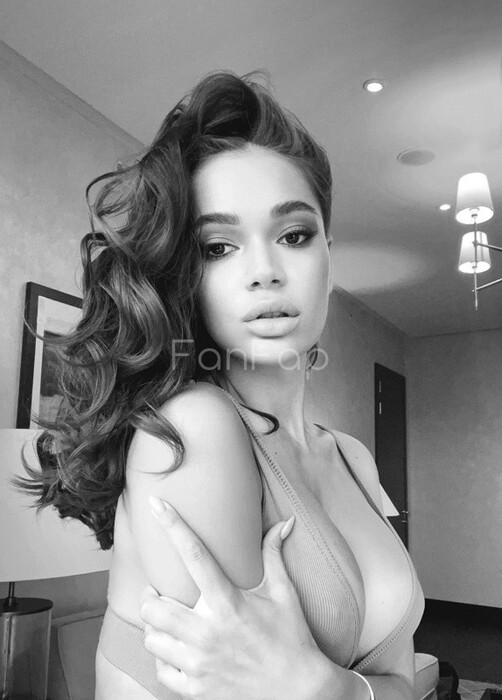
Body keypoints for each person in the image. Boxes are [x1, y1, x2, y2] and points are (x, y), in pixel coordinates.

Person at [20, 71, 424, 699]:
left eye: (293, 235)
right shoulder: (192, 429)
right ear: (185, 273)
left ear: (329, 253)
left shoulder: (354, 458)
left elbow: (403, 678)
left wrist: (333, 691)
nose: (264, 271)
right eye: (218, 247)